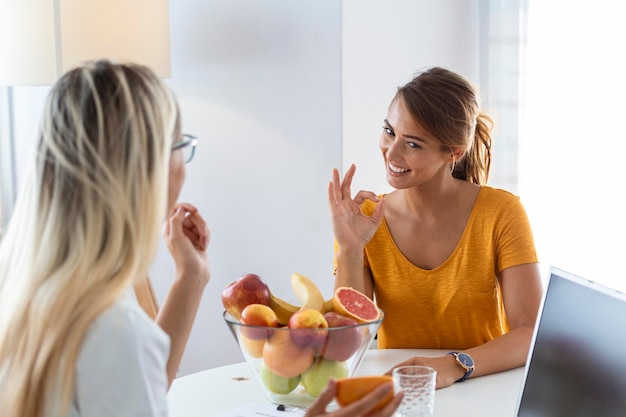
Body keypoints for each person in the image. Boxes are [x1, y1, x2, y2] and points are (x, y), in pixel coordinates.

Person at [0, 60, 402, 417]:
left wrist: (191, 278)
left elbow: (139, 387)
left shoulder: (26, 285)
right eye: (182, 145)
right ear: (145, 167)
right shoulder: (112, 330)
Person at [328, 66, 543, 389]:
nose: (392, 152)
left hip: (483, 388)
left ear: (454, 152)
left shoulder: (501, 213)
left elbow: (530, 334)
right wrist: (349, 249)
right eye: (389, 131)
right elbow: (348, 344)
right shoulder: (365, 220)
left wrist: (452, 365)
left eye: (413, 144)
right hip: (402, 392)